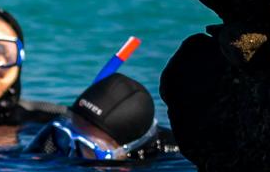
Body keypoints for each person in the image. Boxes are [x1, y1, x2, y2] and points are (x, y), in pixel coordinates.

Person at [22, 69, 173, 165]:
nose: (70, 157)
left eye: (87, 148)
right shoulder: (55, 143)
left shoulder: (173, 165)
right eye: (65, 137)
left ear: (127, 151)